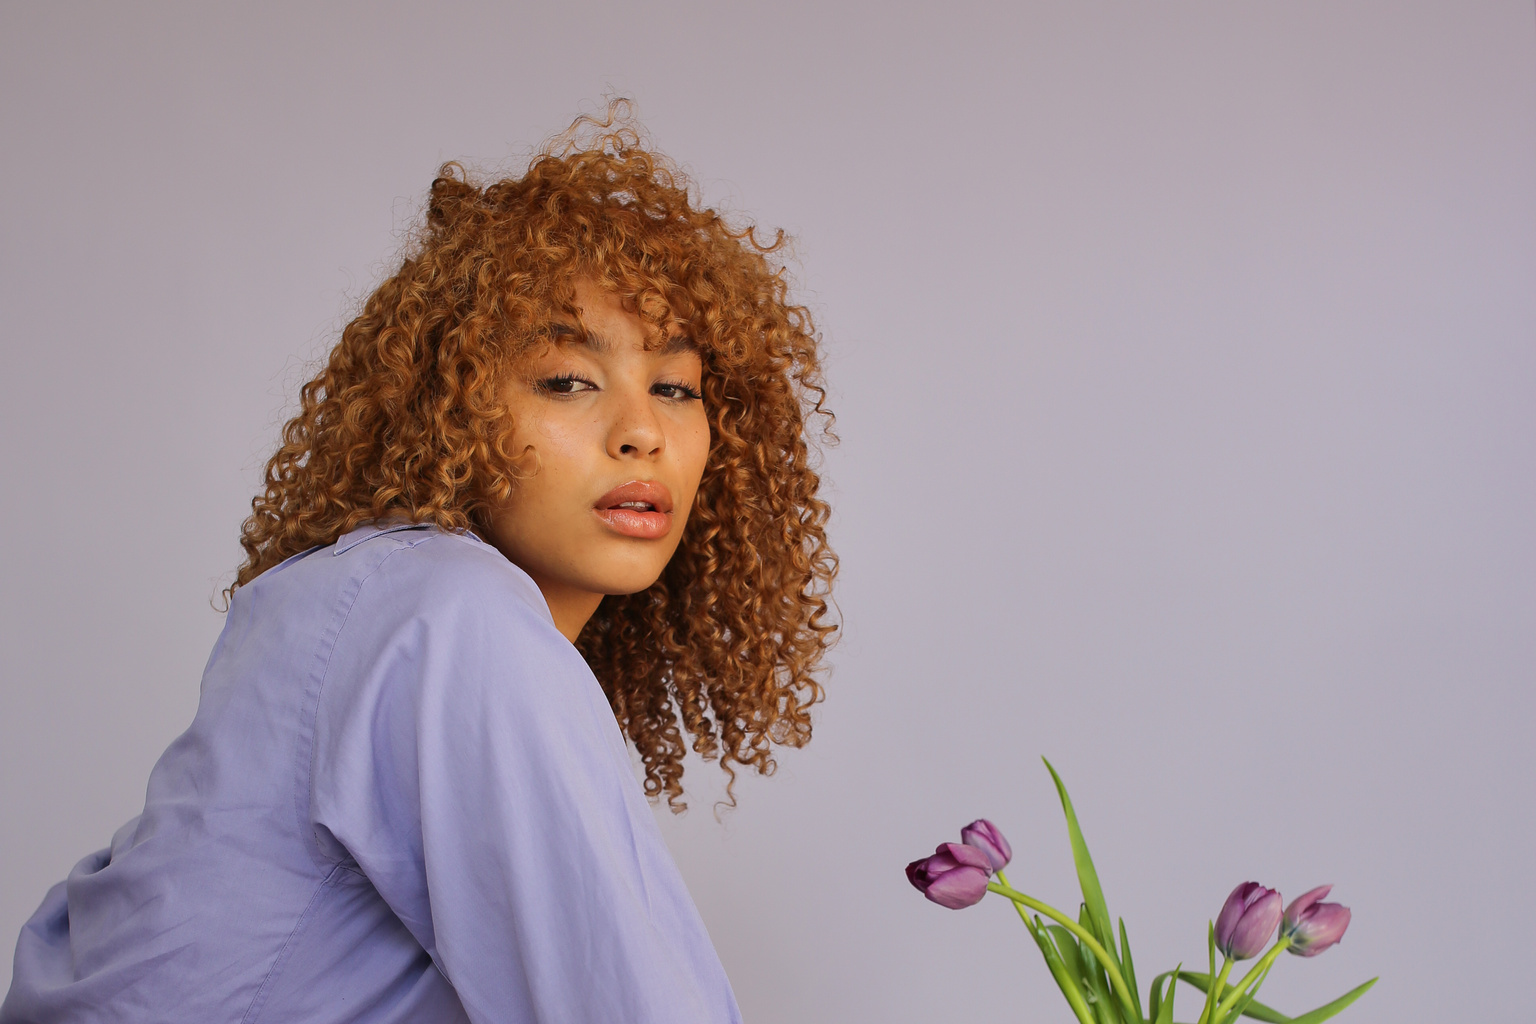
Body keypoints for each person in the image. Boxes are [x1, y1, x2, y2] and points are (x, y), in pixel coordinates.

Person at [0, 105, 837, 1024]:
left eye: (676, 388)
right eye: (568, 380)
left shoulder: (362, 593)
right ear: (454, 406)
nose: (643, 431)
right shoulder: (448, 615)